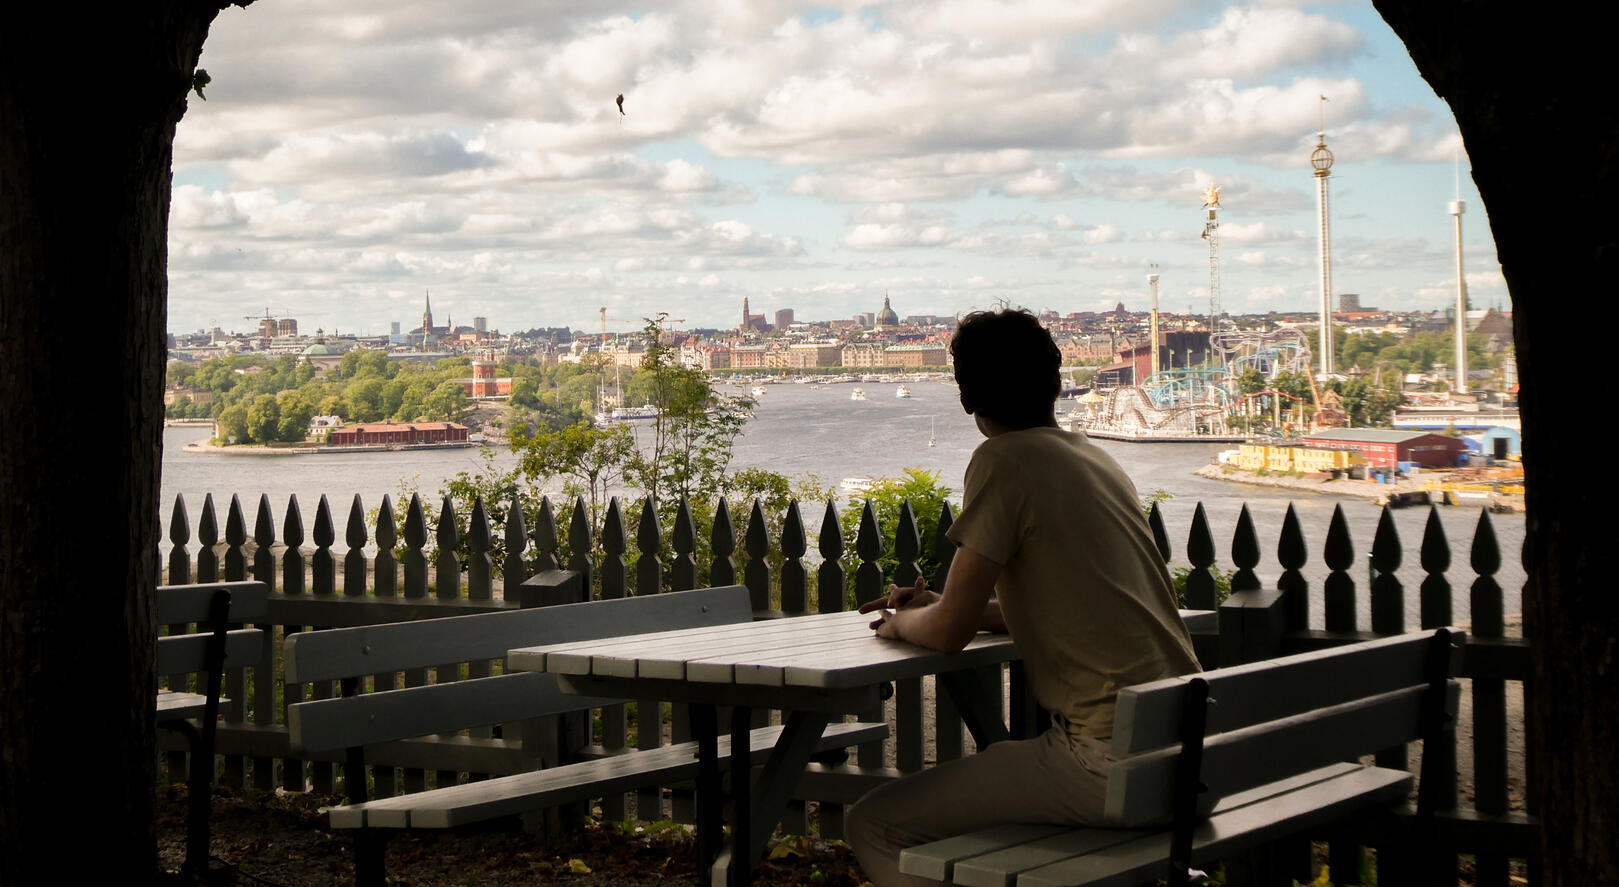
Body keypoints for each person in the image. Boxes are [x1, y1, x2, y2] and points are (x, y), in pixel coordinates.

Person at [845, 308, 1201, 886]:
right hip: (1186, 759)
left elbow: (945, 635)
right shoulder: (1095, 458)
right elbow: (1062, 605)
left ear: (966, 399)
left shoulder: (1003, 460)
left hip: (1107, 763)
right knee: (997, 771)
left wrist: (898, 622)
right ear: (1056, 381)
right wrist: (939, 604)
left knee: (874, 824)